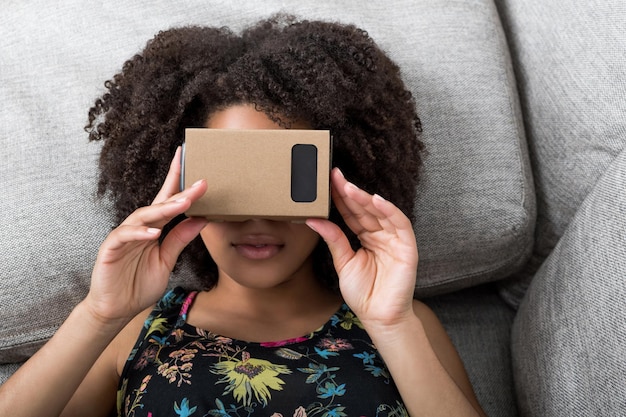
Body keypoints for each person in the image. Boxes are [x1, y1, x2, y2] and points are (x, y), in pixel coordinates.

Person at [0, 15, 486, 417]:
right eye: (232, 181)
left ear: (336, 180)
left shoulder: (399, 322)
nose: (257, 216)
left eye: (283, 181)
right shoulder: (135, 329)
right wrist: (98, 314)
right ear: (179, 188)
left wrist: (393, 325)